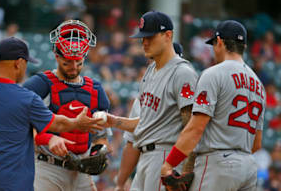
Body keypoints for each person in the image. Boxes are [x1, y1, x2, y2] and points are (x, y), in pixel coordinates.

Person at [0, 37, 104, 191]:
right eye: (26, 63)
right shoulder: (26, 98)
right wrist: (77, 123)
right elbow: (58, 124)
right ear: (19, 63)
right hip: (9, 185)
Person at [160, 20, 266, 191]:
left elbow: (196, 129)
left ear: (220, 42)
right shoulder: (259, 85)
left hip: (219, 165)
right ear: (244, 46)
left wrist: (169, 164)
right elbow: (257, 143)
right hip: (248, 167)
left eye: (214, 45)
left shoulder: (213, 73)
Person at [103, 11, 199, 191]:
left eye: (150, 37)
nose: (144, 42)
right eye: (142, 38)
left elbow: (192, 127)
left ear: (168, 35)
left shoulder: (182, 72)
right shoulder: (150, 71)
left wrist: (185, 170)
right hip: (145, 158)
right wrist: (115, 121)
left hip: (165, 156)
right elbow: (146, 123)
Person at [23, 20, 110, 191]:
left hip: (81, 170)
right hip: (48, 166)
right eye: (67, 62)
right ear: (57, 56)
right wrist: (48, 138)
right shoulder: (40, 84)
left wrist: (99, 150)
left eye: (78, 62)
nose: (73, 67)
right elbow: (21, 126)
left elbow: (101, 134)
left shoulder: (95, 89)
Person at [114, 42, 185, 191]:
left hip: (169, 156)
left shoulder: (182, 87)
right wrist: (120, 183)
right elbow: (131, 144)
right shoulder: (143, 96)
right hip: (146, 160)